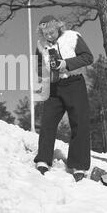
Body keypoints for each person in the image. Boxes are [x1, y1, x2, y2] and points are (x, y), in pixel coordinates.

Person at [34, 15, 94, 182]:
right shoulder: (41, 45)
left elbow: (88, 57)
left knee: (79, 123)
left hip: (74, 83)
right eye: (45, 34)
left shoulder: (72, 37)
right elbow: (38, 67)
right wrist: (47, 70)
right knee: (47, 122)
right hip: (54, 86)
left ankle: (78, 165)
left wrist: (65, 64)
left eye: (52, 32)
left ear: (58, 27)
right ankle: (43, 161)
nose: (49, 36)